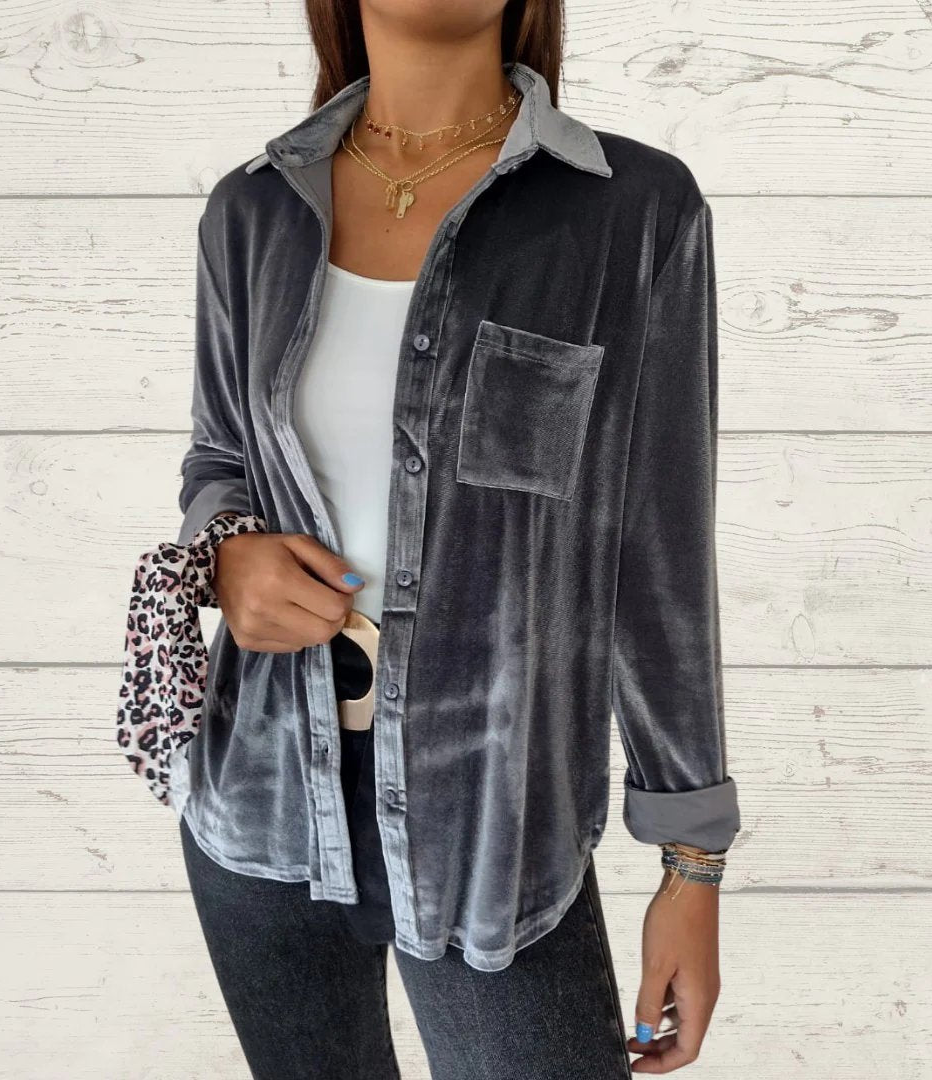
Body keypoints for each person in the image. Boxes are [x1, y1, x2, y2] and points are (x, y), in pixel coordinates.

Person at [170, 2, 741, 1077]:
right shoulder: (252, 210)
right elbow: (218, 459)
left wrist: (692, 862)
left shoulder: (632, 211)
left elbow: (659, 550)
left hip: (494, 835)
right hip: (258, 809)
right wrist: (228, 550)